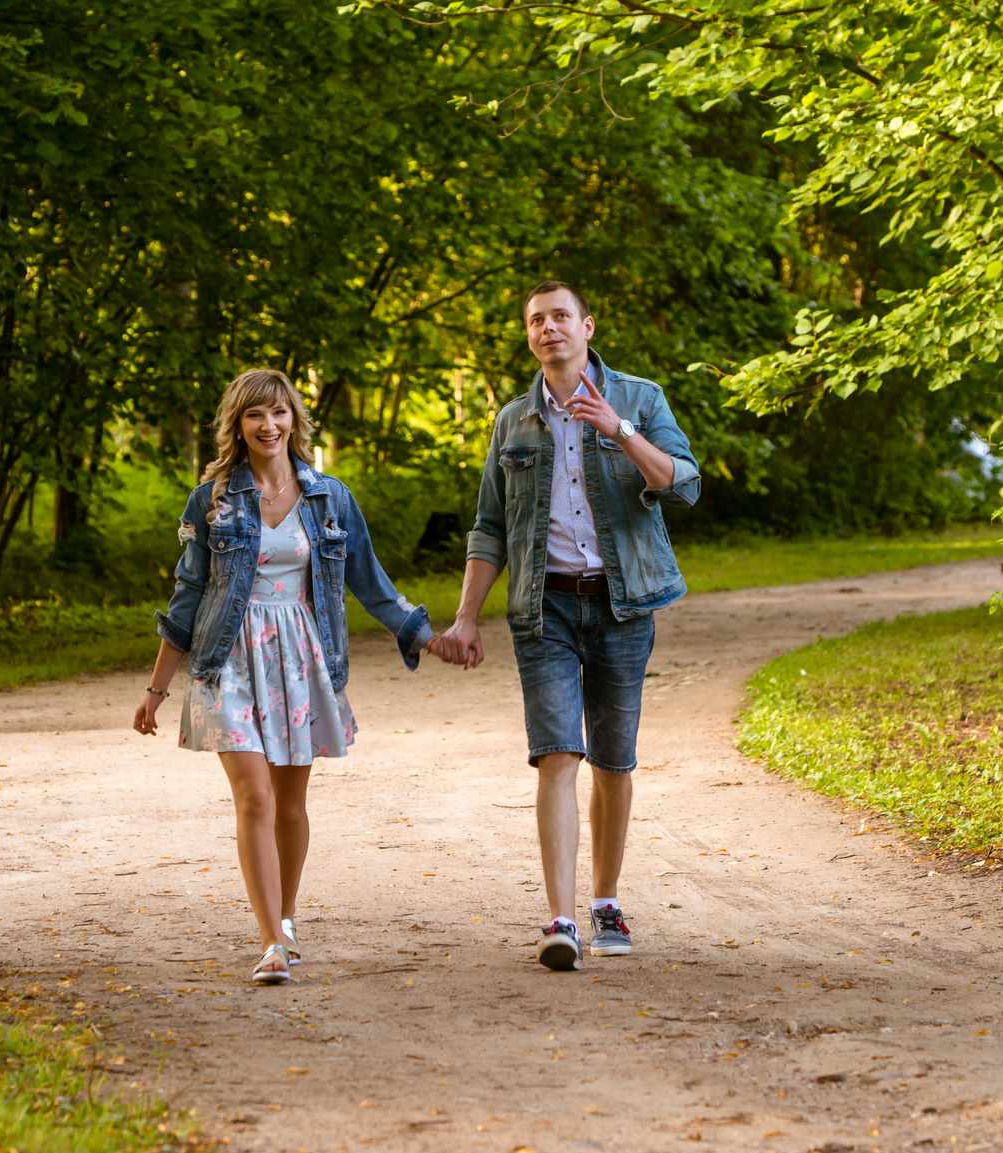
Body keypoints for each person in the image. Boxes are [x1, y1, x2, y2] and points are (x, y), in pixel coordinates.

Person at [431, 282, 700, 971]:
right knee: (557, 753)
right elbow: (490, 527)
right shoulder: (513, 421)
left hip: (622, 603)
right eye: (535, 320)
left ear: (587, 326)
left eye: (560, 317)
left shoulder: (640, 398)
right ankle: (560, 920)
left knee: (613, 760)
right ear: (529, 336)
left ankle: (605, 901)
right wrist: (465, 618)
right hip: (542, 605)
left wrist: (618, 429)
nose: (548, 328)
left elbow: (683, 484)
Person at [134, 368, 434, 985]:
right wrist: (157, 690)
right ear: (237, 424)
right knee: (255, 797)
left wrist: (424, 634)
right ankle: (271, 941)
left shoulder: (330, 498)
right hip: (227, 657)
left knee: (290, 804)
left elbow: (370, 581)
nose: (268, 425)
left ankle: (286, 922)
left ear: (294, 419)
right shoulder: (212, 499)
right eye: (254, 414)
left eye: (278, 412)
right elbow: (187, 594)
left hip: (300, 658)